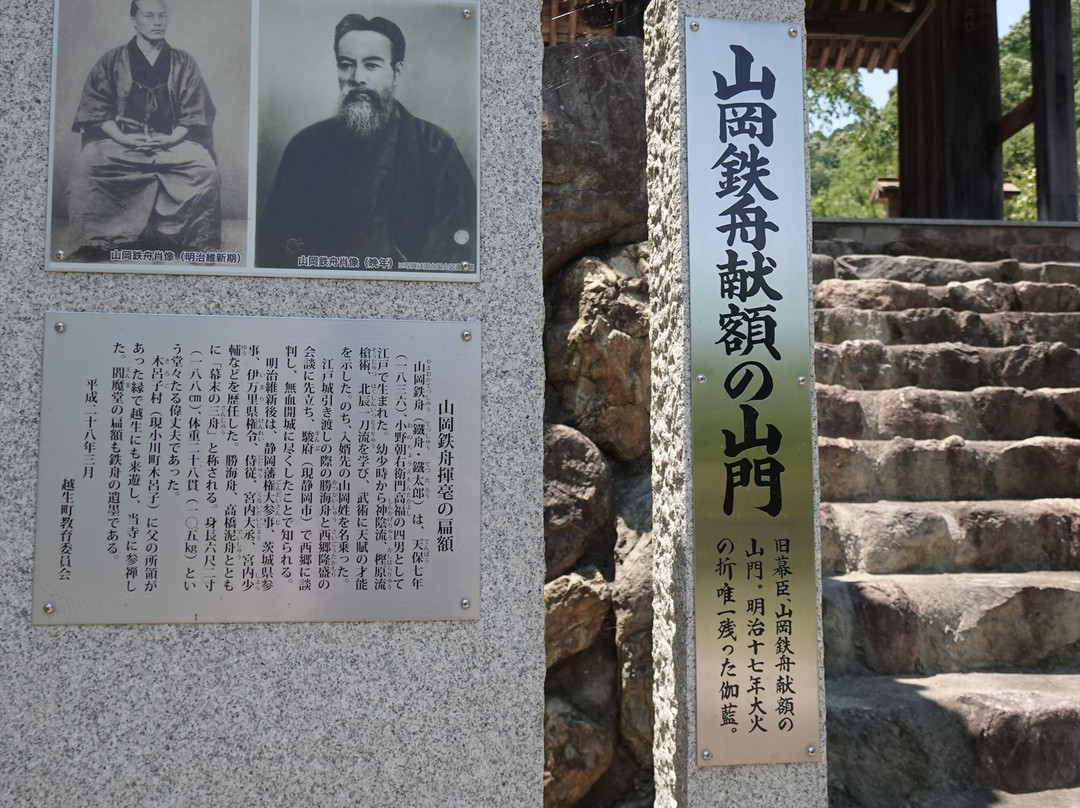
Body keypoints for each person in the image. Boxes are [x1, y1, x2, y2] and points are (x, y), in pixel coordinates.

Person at [256, 14, 476, 268]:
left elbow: (454, 251)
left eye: (371, 65)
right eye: (346, 64)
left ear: (396, 72)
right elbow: (276, 244)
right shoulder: (305, 146)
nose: (357, 77)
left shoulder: (436, 149)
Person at [66, 0, 219, 261]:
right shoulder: (111, 61)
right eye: (149, 16)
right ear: (133, 20)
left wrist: (170, 139)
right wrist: (124, 138)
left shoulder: (184, 62)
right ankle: (94, 243)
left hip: (172, 143)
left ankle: (193, 242)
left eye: (162, 16)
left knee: (205, 170)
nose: (157, 22)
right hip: (121, 143)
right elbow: (97, 110)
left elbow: (194, 112)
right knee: (88, 165)